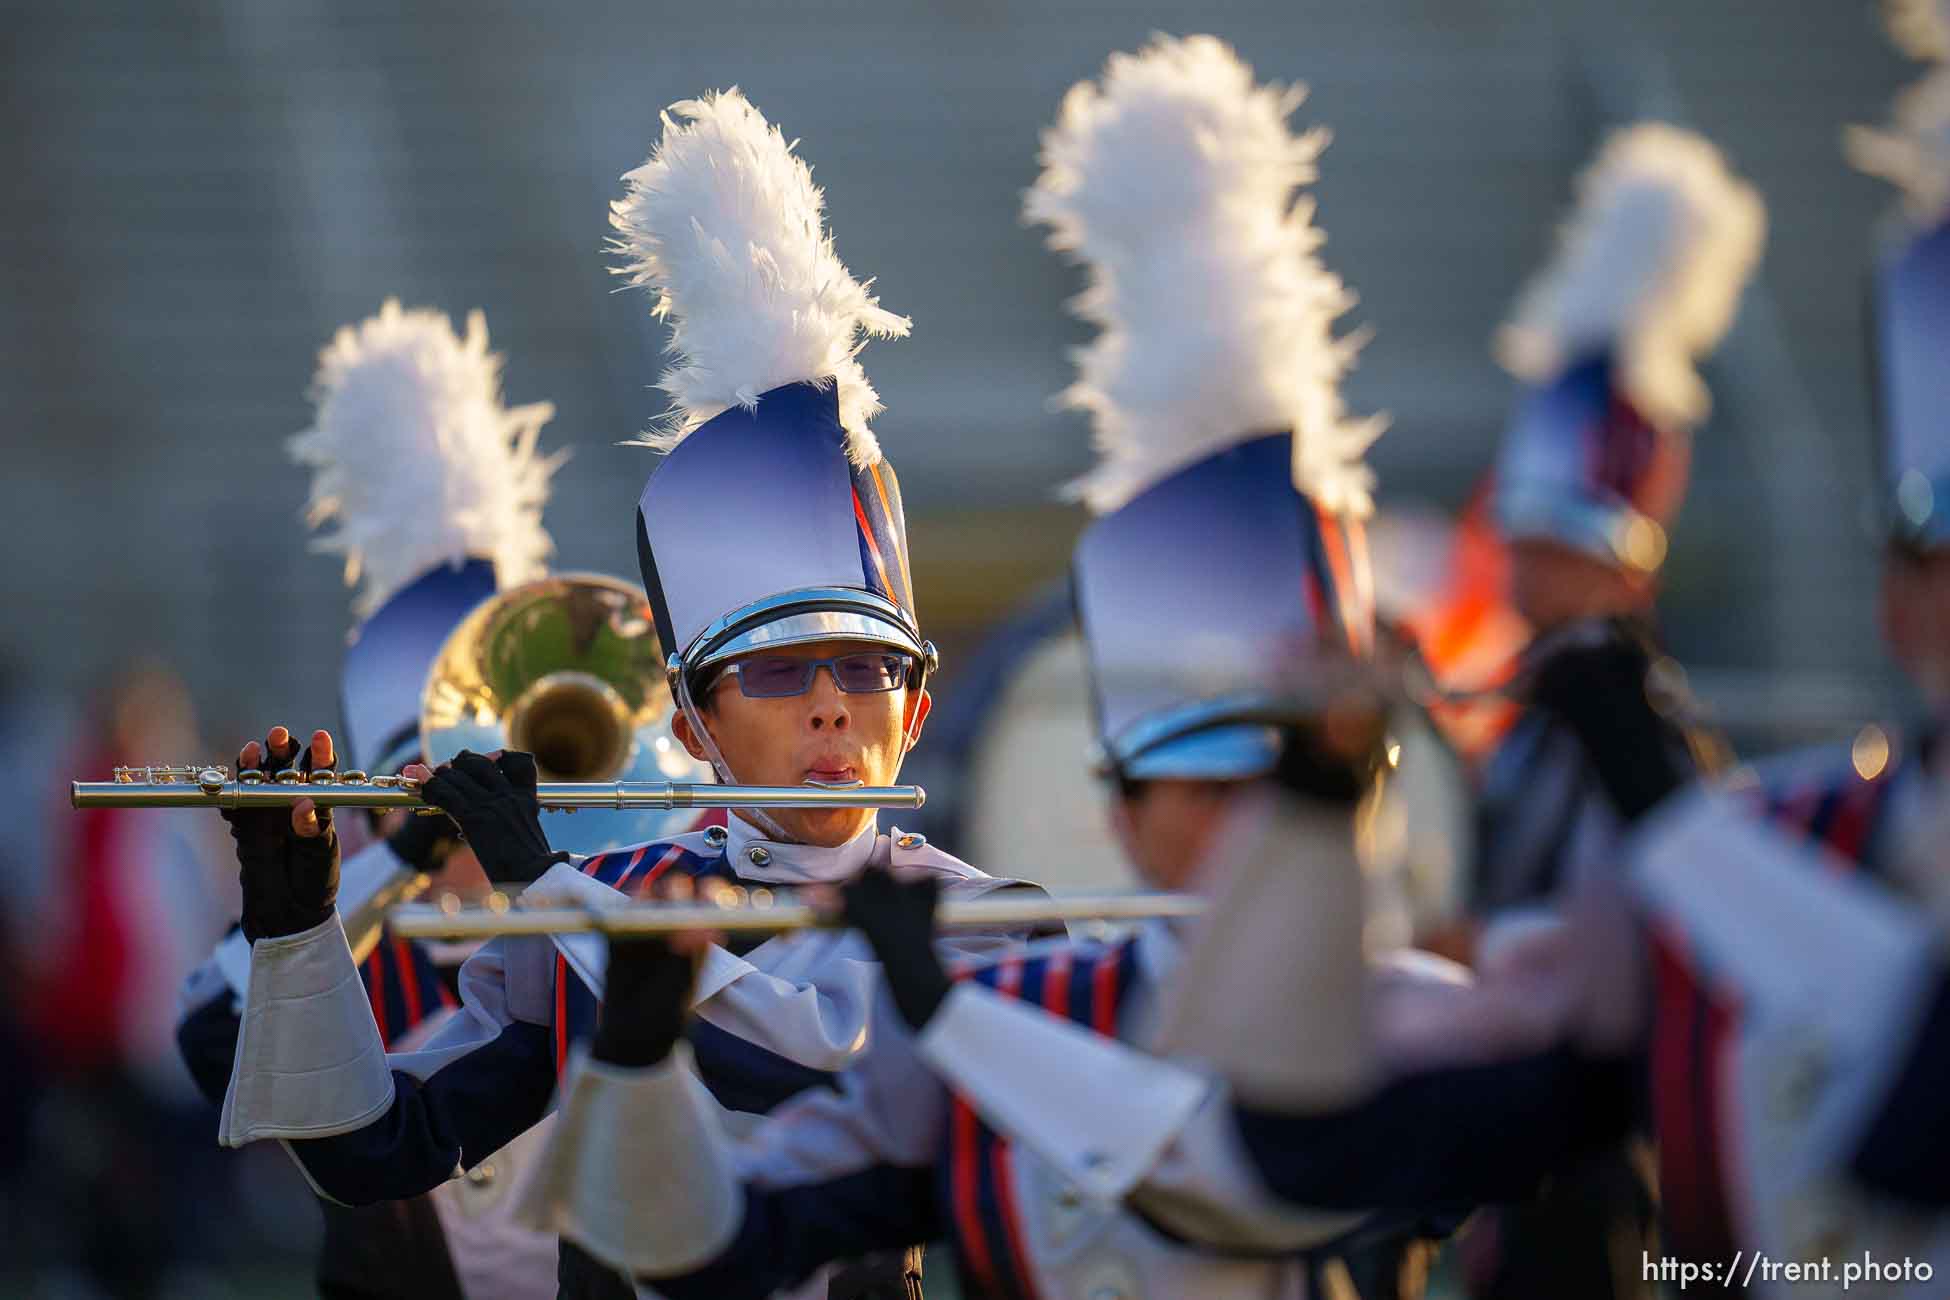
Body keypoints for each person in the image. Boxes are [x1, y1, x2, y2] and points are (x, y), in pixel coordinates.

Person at [514, 36, 1469, 1300]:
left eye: (1299, 788)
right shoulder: (1035, 968)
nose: (825, 707)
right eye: (1207, 786)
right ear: (1122, 813)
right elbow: (680, 1232)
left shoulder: (1018, 937)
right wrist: (313, 919)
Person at [211, 92, 1037, 1300]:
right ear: (692, 726)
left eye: (865, 669)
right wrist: (298, 926)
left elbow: (817, 1062)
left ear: (914, 712)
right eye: (772, 673)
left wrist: (545, 886)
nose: (828, 707)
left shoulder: (983, 922)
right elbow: (373, 1150)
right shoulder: (614, 896)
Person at [175, 299, 601, 1299]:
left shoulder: (583, 938)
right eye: (422, 777)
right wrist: (391, 863)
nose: (453, 803)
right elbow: (207, 1041)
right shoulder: (364, 954)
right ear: (366, 802)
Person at [1455, 122, 1765, 1300]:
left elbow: (1625, 967)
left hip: (1616, 1168)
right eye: (1523, 549)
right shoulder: (1533, 709)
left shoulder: (1646, 726)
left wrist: (1469, 946)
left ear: (1630, 566)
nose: (1530, 577)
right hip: (1523, 1142)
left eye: (1560, 554)